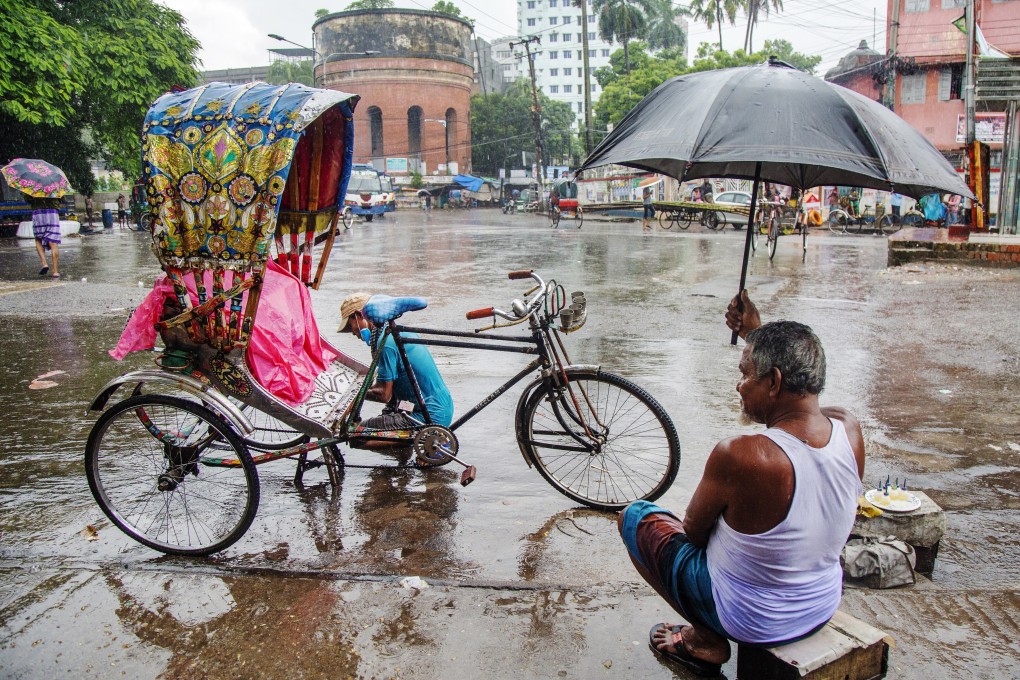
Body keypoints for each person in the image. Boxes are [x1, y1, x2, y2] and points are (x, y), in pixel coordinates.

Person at [618, 290, 864, 677]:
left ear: (774, 382)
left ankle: (704, 640)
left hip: (752, 620)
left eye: (745, 374)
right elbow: (806, 403)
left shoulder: (741, 453)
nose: (739, 385)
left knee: (636, 516)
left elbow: (693, 535)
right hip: (819, 606)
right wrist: (757, 335)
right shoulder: (848, 430)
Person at [337, 292, 454, 431]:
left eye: (351, 326)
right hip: (440, 408)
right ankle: (405, 451)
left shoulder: (386, 344)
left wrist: (351, 395)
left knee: (355, 434)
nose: (352, 332)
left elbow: (384, 394)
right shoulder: (397, 334)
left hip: (428, 415)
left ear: (359, 316)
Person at [30, 198, 61, 278]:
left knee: (38, 238)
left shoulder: (32, 186)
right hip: (52, 213)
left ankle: (44, 264)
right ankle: (55, 271)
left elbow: (28, 199)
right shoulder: (56, 185)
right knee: (53, 242)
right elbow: (61, 199)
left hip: (38, 212)